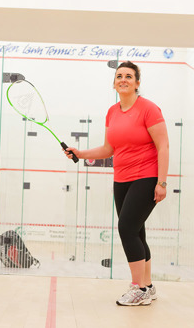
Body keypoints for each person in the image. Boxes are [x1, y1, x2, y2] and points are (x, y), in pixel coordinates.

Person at [64, 61, 169, 306]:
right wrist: (81, 153)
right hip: (121, 179)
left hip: (146, 176)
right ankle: (149, 286)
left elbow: (163, 146)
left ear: (137, 83)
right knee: (137, 232)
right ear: (114, 83)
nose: (123, 79)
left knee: (127, 229)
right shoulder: (112, 112)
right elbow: (108, 149)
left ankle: (138, 288)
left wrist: (161, 182)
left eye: (129, 76)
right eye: (119, 76)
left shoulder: (149, 109)